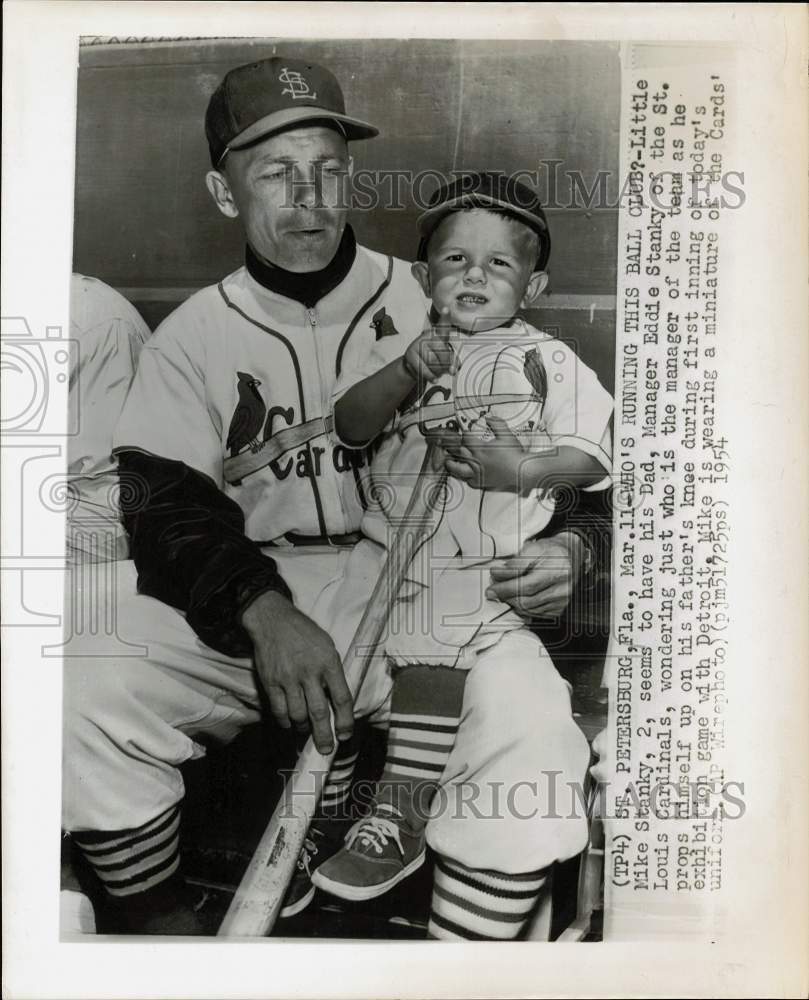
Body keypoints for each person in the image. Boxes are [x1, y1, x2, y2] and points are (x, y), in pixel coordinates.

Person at [62, 54, 604, 939]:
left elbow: (569, 450)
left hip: (429, 584)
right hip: (257, 590)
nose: (308, 198)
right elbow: (166, 508)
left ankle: (457, 969)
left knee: (532, 733)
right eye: (275, 172)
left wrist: (574, 549)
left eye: (327, 171)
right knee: (83, 679)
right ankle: (157, 932)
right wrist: (260, 610)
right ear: (223, 190)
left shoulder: (445, 284)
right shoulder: (194, 333)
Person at [308, 173, 613, 903]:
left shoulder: (549, 359)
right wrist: (404, 373)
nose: (473, 274)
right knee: (321, 664)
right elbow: (350, 426)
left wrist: (523, 466)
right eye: (453, 260)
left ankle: (400, 813)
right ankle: (325, 804)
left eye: (498, 264)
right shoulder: (397, 349)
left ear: (532, 286)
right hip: (377, 556)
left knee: (433, 642)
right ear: (422, 277)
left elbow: (595, 460)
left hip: (476, 564)